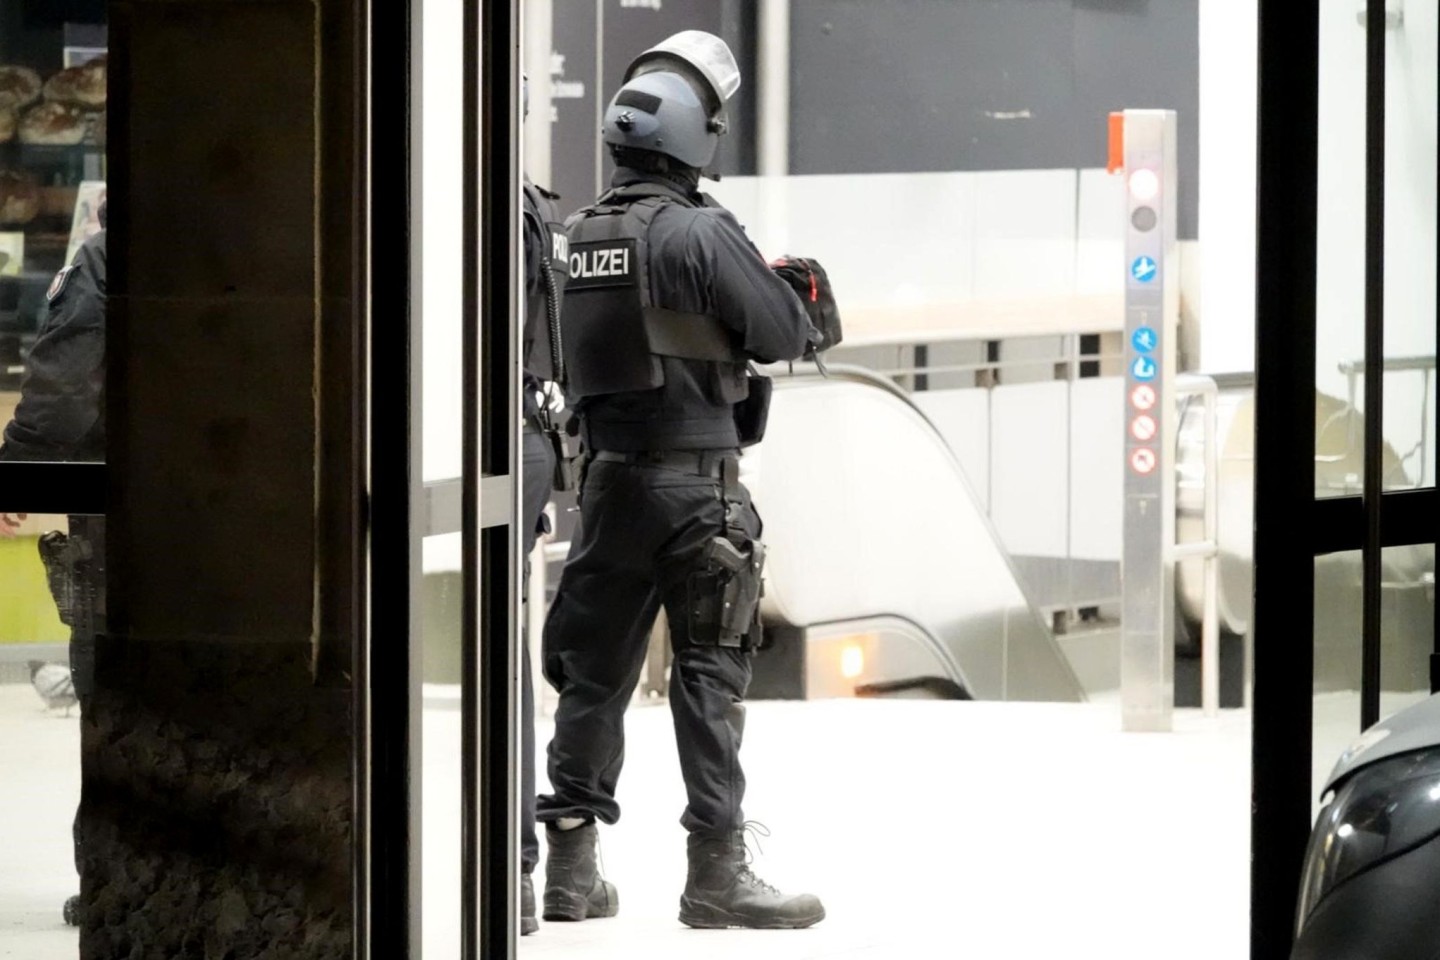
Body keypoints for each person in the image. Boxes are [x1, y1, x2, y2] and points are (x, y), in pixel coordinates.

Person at [537, 31, 826, 930]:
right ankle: (716, 873)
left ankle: (571, 870)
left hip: (608, 488)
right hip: (697, 487)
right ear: (697, 135)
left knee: (594, 676)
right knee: (709, 676)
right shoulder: (701, 231)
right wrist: (800, 290)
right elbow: (786, 331)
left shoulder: (578, 235)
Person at [0, 200, 107, 928]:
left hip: (125, 504)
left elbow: (66, 385)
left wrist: (21, 469)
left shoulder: (108, 255)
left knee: (113, 690)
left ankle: (114, 875)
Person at [518, 75, 568, 936]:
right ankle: (518, 867)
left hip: (490, 446)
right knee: (508, 657)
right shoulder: (533, 213)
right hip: (521, 442)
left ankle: (519, 867)